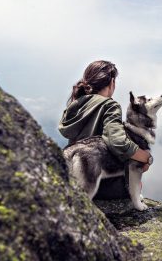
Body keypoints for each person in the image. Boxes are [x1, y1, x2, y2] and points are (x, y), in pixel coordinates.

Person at [58, 60, 152, 192]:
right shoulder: (110, 105)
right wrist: (146, 157)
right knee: (135, 183)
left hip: (75, 179)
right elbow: (118, 141)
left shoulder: (75, 105)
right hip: (103, 185)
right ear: (112, 82)